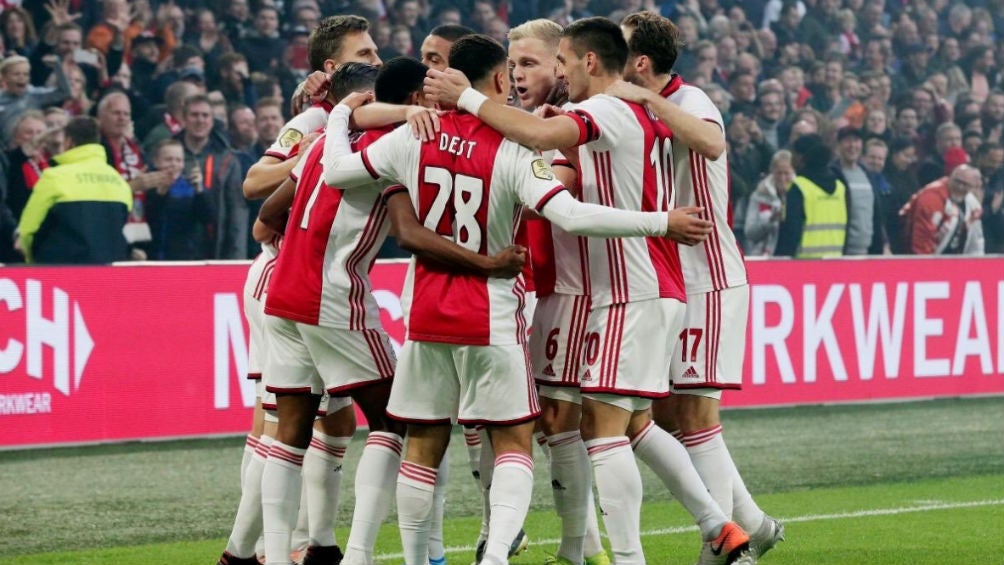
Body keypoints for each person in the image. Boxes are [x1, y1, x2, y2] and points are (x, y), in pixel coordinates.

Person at [325, 33, 716, 565]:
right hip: (489, 316)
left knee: (421, 443)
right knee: (512, 442)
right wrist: (660, 222)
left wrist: (338, 116)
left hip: (425, 316)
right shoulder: (512, 150)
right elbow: (571, 216)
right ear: (501, 80)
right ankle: (495, 556)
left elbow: (336, 171)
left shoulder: (414, 136)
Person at [423, 20, 754, 565]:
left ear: (590, 63)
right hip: (636, 288)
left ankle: (630, 556)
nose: (558, 72)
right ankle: (719, 526)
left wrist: (463, 98)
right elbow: (565, 153)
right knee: (627, 423)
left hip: (635, 288)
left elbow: (538, 138)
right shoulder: (629, 111)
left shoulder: (606, 111)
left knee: (603, 430)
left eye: (563, 62)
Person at [615, 11, 783, 562]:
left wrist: (647, 101)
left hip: (707, 278)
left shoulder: (692, 102)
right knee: (662, 417)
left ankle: (726, 546)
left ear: (641, 62)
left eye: (621, 51)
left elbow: (711, 144)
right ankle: (752, 523)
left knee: (694, 417)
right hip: (665, 278)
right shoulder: (630, 106)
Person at [216, 15, 384, 565]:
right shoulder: (318, 117)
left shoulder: (351, 114)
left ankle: (311, 543)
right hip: (288, 273)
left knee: (328, 418)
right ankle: (256, 548)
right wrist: (315, 147)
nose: (377, 61)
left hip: (303, 274)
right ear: (333, 68)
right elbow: (255, 184)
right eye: (365, 52)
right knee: (277, 417)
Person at [506, 17, 607, 565]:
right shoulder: (535, 122)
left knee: (565, 422)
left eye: (530, 64)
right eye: (512, 64)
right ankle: (585, 549)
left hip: (575, 291)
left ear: (561, 65)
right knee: (557, 423)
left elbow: (560, 185)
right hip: (548, 290)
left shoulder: (568, 121)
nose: (518, 75)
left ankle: (582, 552)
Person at [15, 116, 130, 264]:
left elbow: (27, 231)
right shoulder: (118, 181)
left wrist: (31, 260)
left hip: (61, 274)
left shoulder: (54, 177)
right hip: (107, 276)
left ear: (69, 141)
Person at [177, 93, 247, 259]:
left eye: (205, 115)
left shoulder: (227, 160)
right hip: (175, 246)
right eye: (194, 115)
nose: (200, 120)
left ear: (212, 121)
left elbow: (236, 212)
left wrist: (236, 258)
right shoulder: (167, 152)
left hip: (214, 248)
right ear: (184, 119)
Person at [775, 134, 848, 258]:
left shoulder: (799, 187)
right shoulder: (840, 187)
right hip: (835, 263)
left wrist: (778, 262)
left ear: (802, 157)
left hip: (804, 267)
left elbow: (790, 234)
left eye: (794, 154)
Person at [901, 163, 984, 254]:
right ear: (950, 177)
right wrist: (926, 265)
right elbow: (922, 239)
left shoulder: (973, 204)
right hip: (924, 258)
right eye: (957, 181)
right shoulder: (931, 198)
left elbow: (976, 240)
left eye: (965, 184)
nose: (960, 187)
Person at [0, 55, 71, 148]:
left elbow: (64, 93)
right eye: (16, 74)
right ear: (4, 78)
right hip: (9, 151)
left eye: (26, 74)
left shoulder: (35, 94)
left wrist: (57, 67)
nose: (22, 77)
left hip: (37, 147)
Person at [832, 126, 878, 255]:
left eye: (856, 141)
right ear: (839, 145)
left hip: (867, 251)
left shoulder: (867, 174)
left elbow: (875, 212)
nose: (852, 145)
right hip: (842, 251)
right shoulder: (832, 174)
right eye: (847, 141)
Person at [745, 150, 795, 256]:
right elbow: (749, 233)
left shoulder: (799, 194)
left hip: (792, 255)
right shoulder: (759, 195)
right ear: (772, 171)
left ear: (793, 172)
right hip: (764, 256)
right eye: (779, 173)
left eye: (786, 173)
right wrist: (770, 221)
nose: (782, 178)